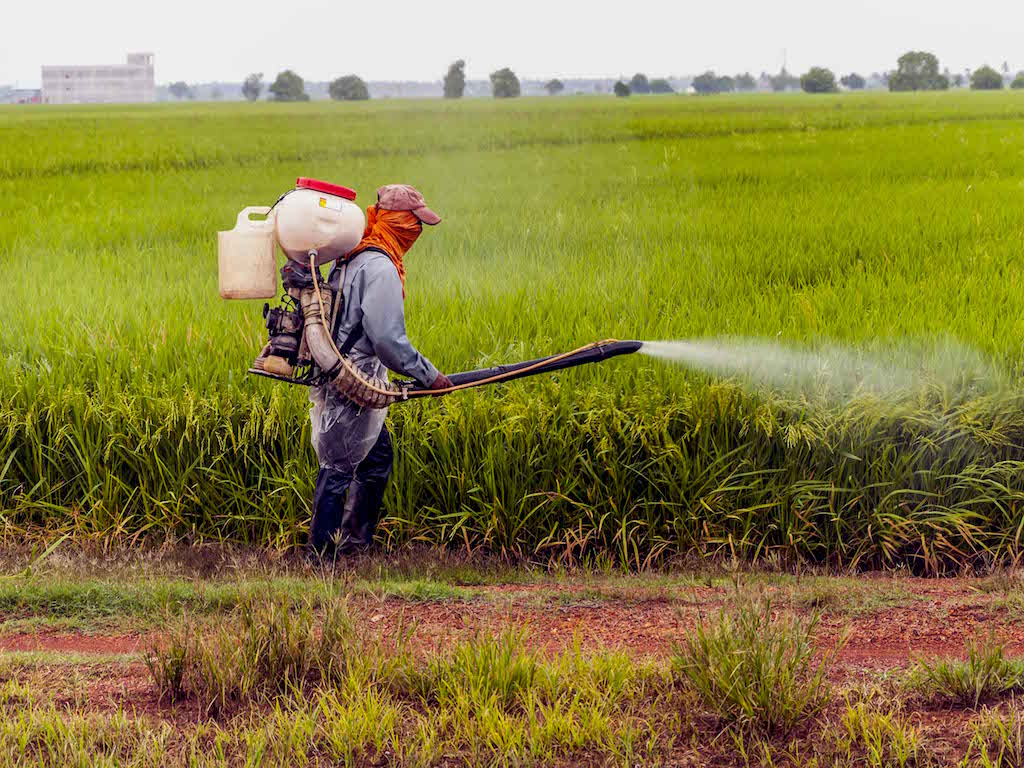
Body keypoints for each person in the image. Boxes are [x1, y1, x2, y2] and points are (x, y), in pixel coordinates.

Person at [308, 184, 452, 559]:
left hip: (344, 374)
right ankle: (319, 560)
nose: (417, 232)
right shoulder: (380, 266)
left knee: (376, 458)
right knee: (338, 467)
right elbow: (388, 341)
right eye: (414, 224)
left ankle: (355, 547)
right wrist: (429, 375)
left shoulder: (354, 256)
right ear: (399, 222)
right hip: (353, 383)